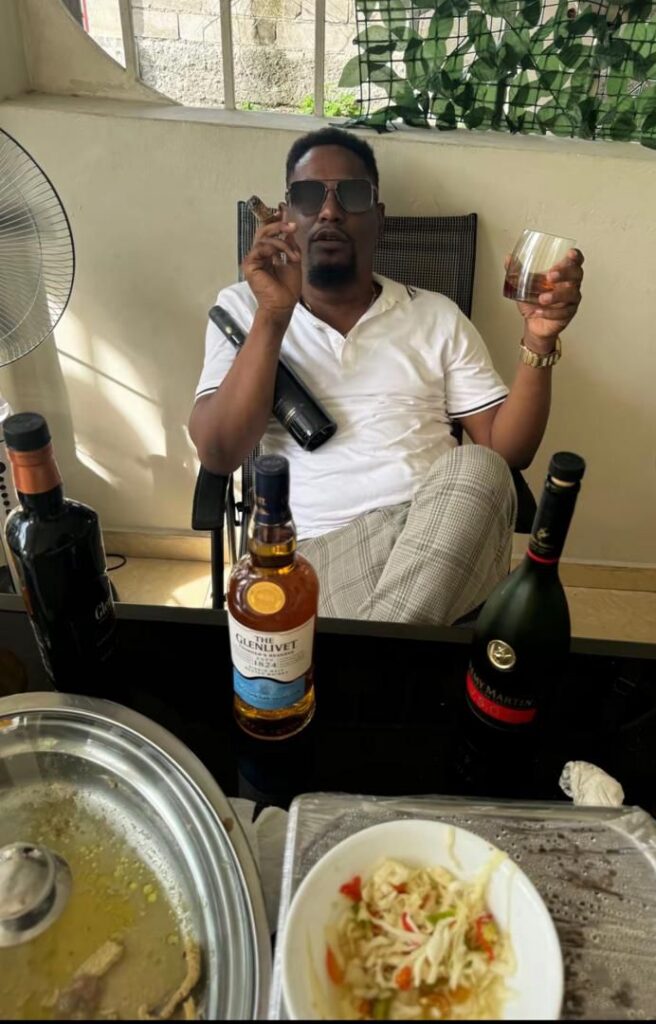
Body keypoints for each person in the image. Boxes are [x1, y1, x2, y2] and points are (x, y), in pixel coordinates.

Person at [189, 128, 584, 625]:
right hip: (312, 553)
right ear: (285, 216)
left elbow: (509, 451)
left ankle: (363, 650)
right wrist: (273, 315)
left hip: (441, 526)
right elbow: (219, 454)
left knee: (481, 468)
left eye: (351, 194)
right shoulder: (243, 308)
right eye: (309, 195)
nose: (329, 211)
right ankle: (387, 649)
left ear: (379, 219)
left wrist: (539, 341)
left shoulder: (436, 315)